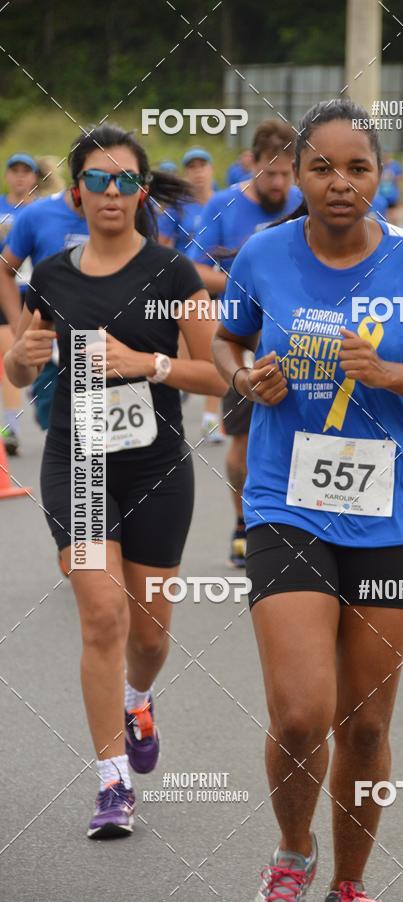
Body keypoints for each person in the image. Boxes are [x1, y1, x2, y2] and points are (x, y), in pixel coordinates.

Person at [212, 99, 403, 902]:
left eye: (357, 167)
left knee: (364, 726)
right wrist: (242, 375)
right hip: (284, 502)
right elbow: (230, 336)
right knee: (301, 714)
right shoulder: (262, 254)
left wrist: (388, 373)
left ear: (380, 175)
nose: (339, 183)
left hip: (386, 514)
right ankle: (293, 852)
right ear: (296, 174)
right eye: (322, 167)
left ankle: (351, 882)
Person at [4, 124, 226, 839]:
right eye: (96, 181)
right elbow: (19, 371)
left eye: (124, 180)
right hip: (78, 458)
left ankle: (139, 697)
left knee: (152, 636)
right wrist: (24, 355)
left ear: (139, 191)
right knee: (104, 614)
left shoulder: (174, 276)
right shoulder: (53, 278)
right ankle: (111, 782)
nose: (110, 192)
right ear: (76, 193)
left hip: (156, 466)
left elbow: (217, 374)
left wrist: (147, 364)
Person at [189, 120, 302, 567]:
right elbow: (192, 269)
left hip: (300, 334)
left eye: (285, 174)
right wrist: (245, 282)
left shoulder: (303, 203)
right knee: (242, 442)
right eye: (268, 173)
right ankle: (242, 521)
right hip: (242, 337)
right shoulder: (223, 204)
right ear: (250, 164)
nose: (277, 184)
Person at [0, 179, 90, 433]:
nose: (111, 190)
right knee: (52, 421)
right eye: (95, 177)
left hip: (102, 341)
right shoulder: (37, 215)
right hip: (52, 338)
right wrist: (19, 326)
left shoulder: (131, 214)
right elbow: (5, 270)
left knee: (92, 441)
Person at [156, 148, 222, 442]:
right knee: (185, 345)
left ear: (211, 169)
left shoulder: (225, 203)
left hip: (218, 286)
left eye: (202, 165)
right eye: (191, 166)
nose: (197, 171)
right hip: (185, 290)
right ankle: (183, 382)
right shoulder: (177, 208)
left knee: (216, 347)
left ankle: (211, 418)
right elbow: (162, 246)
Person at [0, 153, 39, 454]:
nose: (20, 177)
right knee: (9, 351)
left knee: (34, 360)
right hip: (6, 291)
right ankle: (11, 428)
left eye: (26, 171)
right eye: (15, 171)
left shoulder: (42, 212)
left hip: (37, 293)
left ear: (35, 178)